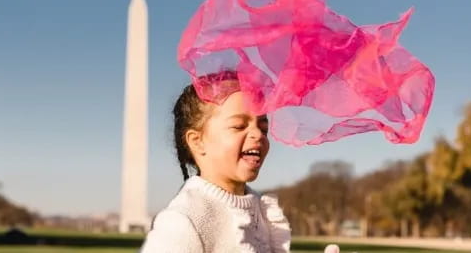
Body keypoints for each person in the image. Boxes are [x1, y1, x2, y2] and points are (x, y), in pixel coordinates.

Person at [140, 79, 340, 252]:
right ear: (197, 141)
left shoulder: (260, 211)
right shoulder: (184, 222)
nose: (258, 135)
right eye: (238, 126)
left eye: (263, 128)